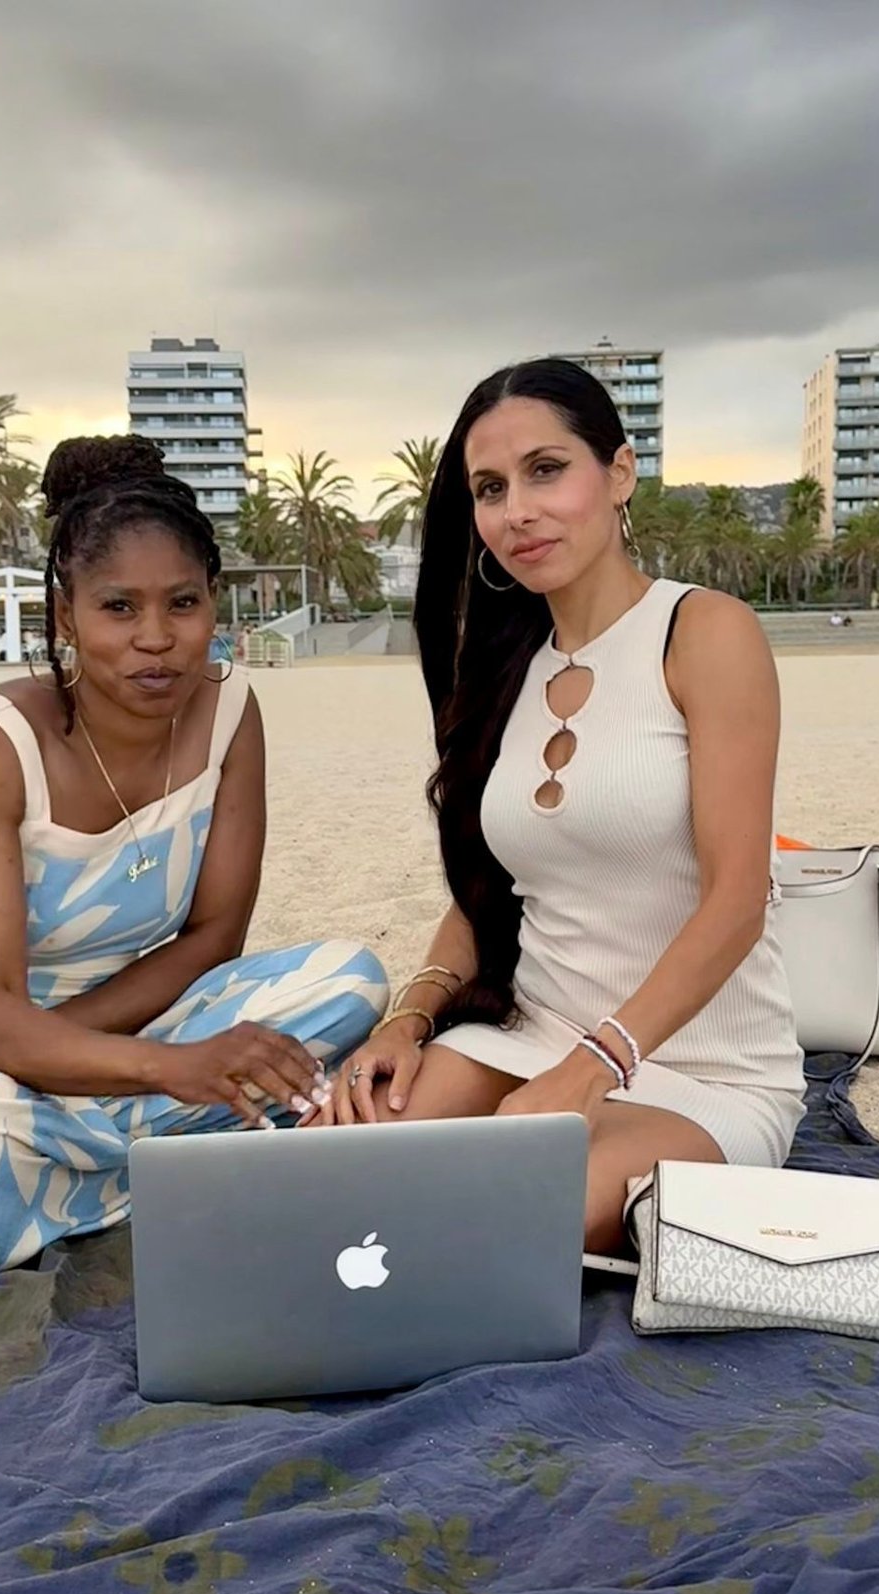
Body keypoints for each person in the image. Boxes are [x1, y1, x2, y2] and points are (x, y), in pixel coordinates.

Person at [0, 435, 387, 1273]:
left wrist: (54, 1043)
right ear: (66, 614)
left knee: (352, 979)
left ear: (215, 603)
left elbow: (213, 938)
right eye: (118, 607)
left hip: (108, 1015)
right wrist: (172, 1069)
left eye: (182, 604)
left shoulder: (230, 711)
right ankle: (187, 1156)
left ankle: (85, 1156)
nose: (156, 638)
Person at [313, 360, 805, 1251]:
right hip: (527, 1034)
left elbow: (739, 898)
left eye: (547, 470)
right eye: (490, 488)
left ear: (618, 474)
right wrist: (410, 1018)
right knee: (319, 1174)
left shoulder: (703, 632)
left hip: (699, 1070)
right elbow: (486, 890)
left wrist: (598, 1066)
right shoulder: (503, 668)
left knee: (487, 1221)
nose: (517, 511)